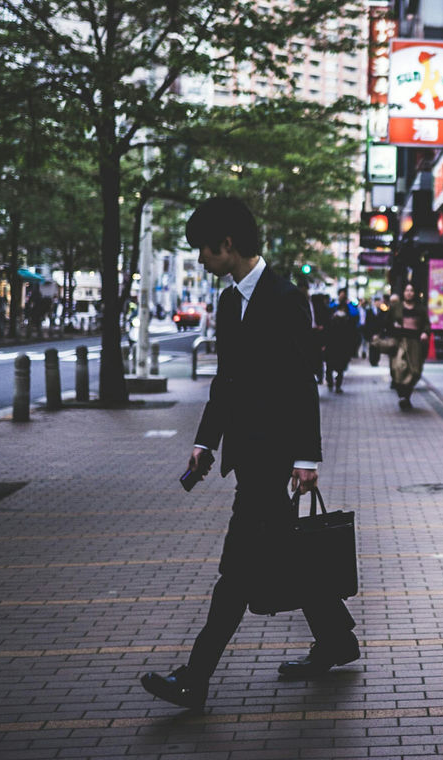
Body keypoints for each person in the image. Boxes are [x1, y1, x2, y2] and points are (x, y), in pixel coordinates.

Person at [140, 197, 357, 713]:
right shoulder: (230, 301)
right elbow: (227, 381)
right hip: (247, 453)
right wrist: (204, 442)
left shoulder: (285, 298)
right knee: (287, 551)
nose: (200, 260)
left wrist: (307, 456)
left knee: (237, 570)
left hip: (275, 457)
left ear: (228, 245)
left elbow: (303, 382)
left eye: (203, 250)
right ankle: (336, 641)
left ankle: (195, 677)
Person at [388, 282, 431, 410]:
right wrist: (393, 327)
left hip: (415, 342)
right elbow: (387, 322)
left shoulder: (420, 309)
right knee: (399, 368)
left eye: (411, 290)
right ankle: (402, 396)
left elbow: (427, 324)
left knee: (414, 371)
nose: (409, 293)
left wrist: (425, 333)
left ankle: (406, 396)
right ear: (403, 292)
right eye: (407, 290)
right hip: (400, 341)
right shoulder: (397, 307)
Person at [324, 288, 359, 393]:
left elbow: (355, 319)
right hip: (332, 341)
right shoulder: (332, 307)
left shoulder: (350, 308)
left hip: (343, 342)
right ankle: (330, 381)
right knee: (330, 365)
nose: (342, 297)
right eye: (341, 295)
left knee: (341, 365)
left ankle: (338, 385)